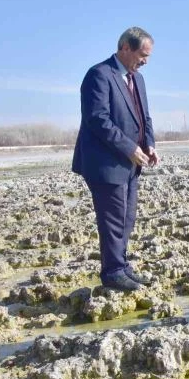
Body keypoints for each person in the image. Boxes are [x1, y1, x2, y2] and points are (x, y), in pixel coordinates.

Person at [72, 27, 159, 291]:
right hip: (105, 164)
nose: (145, 61)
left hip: (131, 163)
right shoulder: (99, 75)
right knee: (112, 219)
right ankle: (112, 272)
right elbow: (98, 119)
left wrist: (150, 144)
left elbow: (144, 117)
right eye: (142, 55)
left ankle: (121, 266)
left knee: (126, 218)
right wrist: (129, 147)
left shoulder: (138, 79)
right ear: (125, 48)